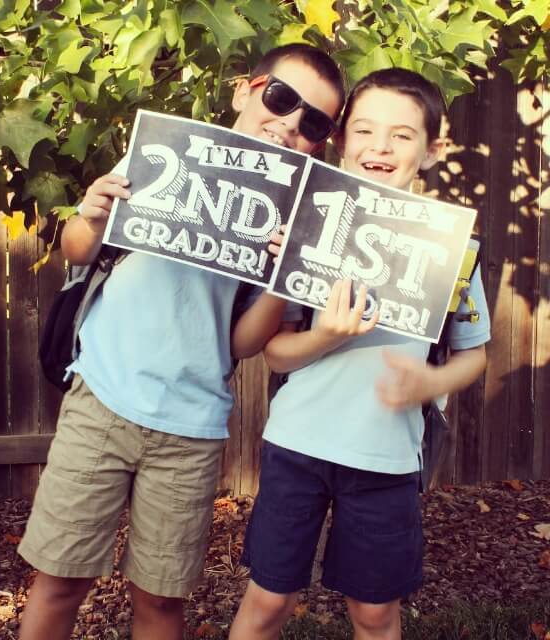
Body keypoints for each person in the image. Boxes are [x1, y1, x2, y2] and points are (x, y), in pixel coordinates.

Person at [17, 44, 346, 640]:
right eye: (281, 99)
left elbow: (244, 344)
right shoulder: (163, 152)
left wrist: (279, 276)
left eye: (314, 123)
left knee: (161, 601)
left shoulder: (294, 218)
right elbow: (78, 251)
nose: (291, 124)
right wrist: (89, 216)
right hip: (103, 401)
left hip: (191, 428)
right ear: (245, 91)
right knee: (59, 581)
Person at [229, 68, 491, 640]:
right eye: (366, 130)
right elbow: (275, 356)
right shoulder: (310, 227)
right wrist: (329, 336)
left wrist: (427, 384)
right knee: (268, 599)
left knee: (374, 612)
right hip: (297, 448)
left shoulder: (453, 250)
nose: (380, 146)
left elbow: (474, 355)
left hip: (387, 461)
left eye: (402, 135)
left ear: (432, 149)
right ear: (343, 140)